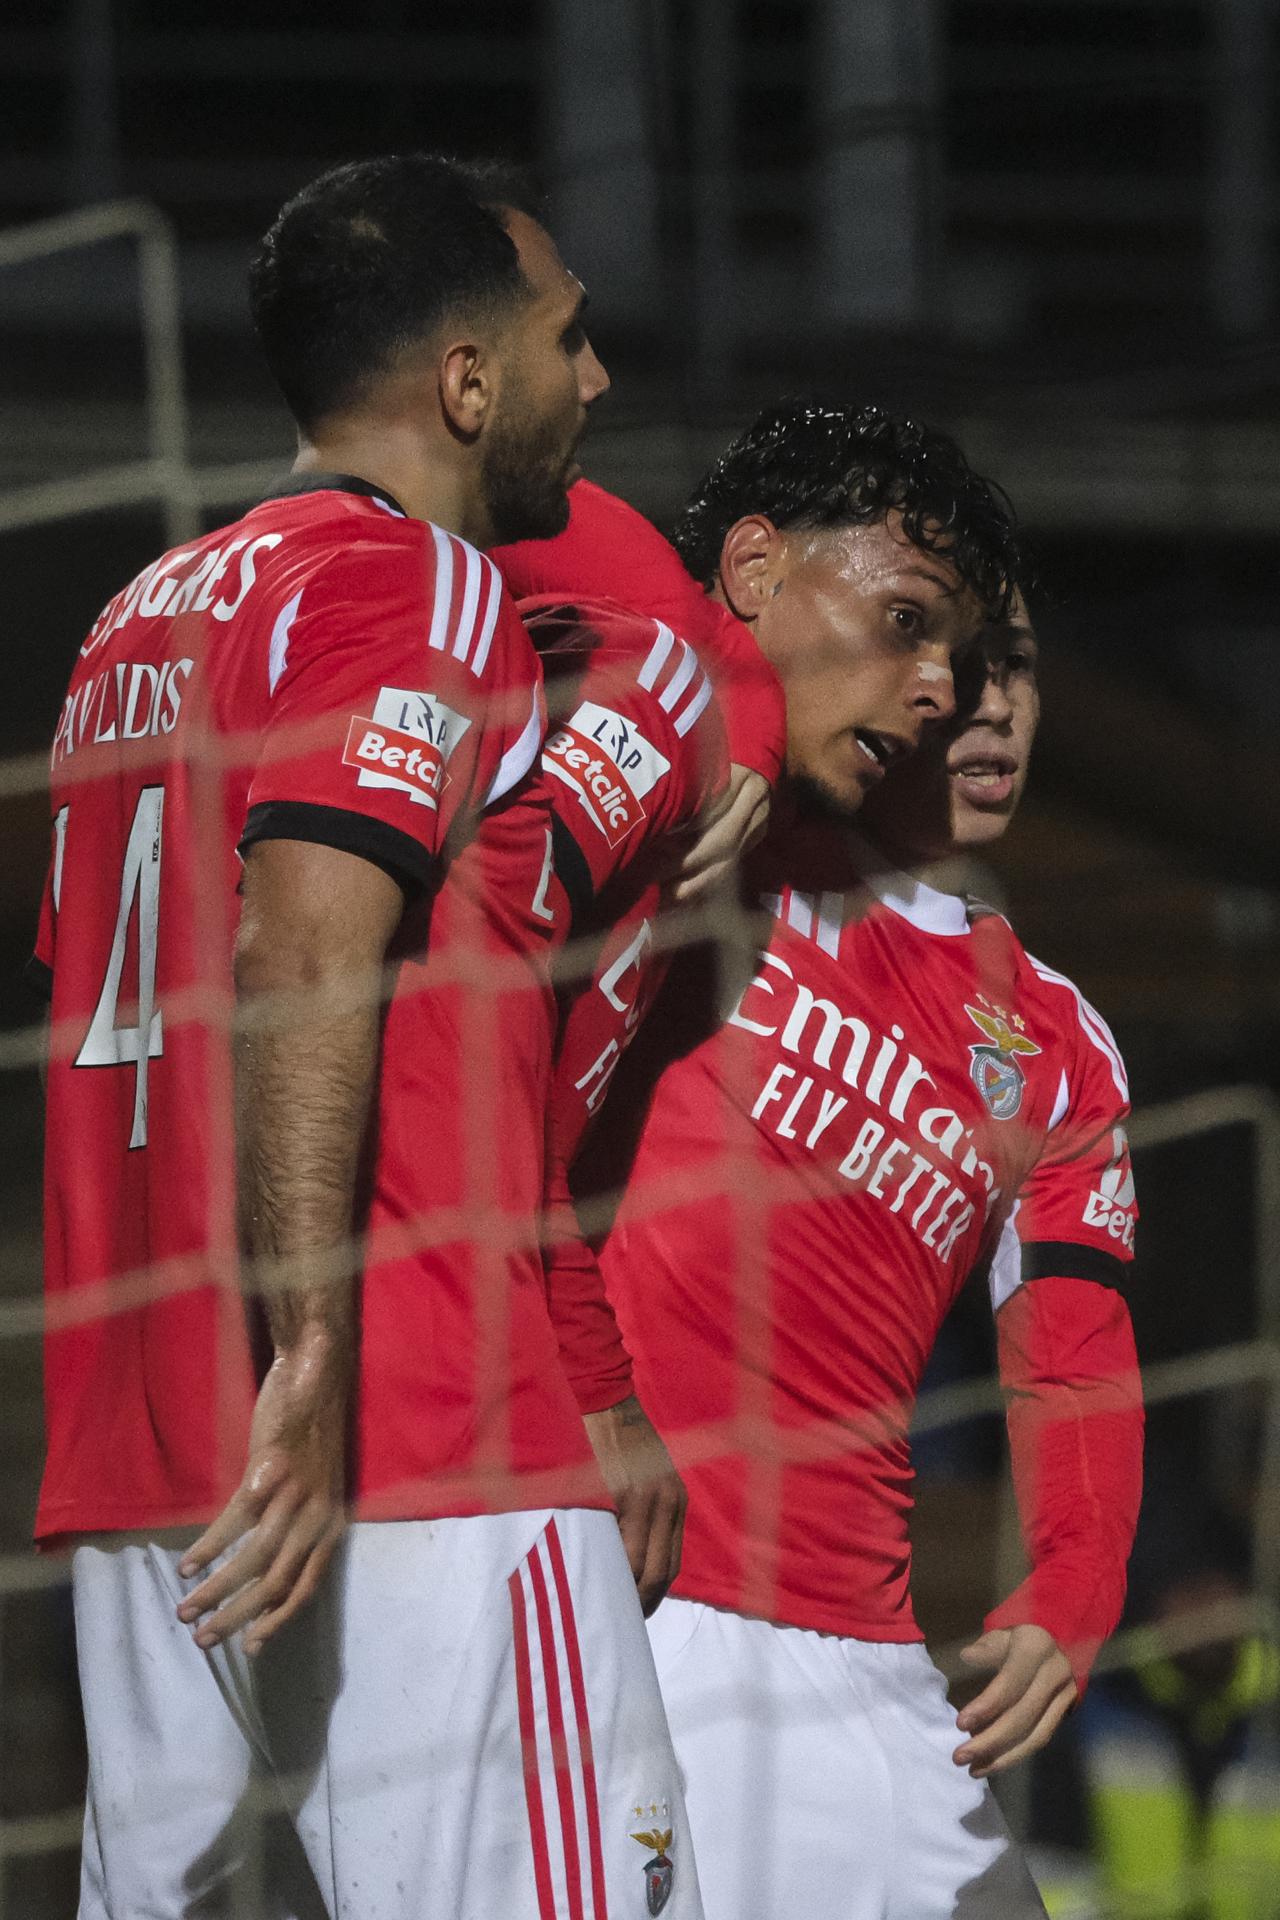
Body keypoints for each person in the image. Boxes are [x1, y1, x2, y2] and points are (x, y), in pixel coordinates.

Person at [33, 152, 706, 1920]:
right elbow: (303, 950)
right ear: (467, 381)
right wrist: (314, 1341)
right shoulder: (419, 587)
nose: (594, 379)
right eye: (565, 336)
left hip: (143, 1452)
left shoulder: (132, 621)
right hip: (399, 1432)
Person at [547, 400, 1144, 1917]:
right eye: (942, 653)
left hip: (874, 1659)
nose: (981, 701)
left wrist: (1074, 1586)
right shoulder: (725, 835)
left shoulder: (1058, 1039)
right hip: (649, 1597)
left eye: (1012, 664)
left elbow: (1073, 1353)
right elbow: (617, 571)